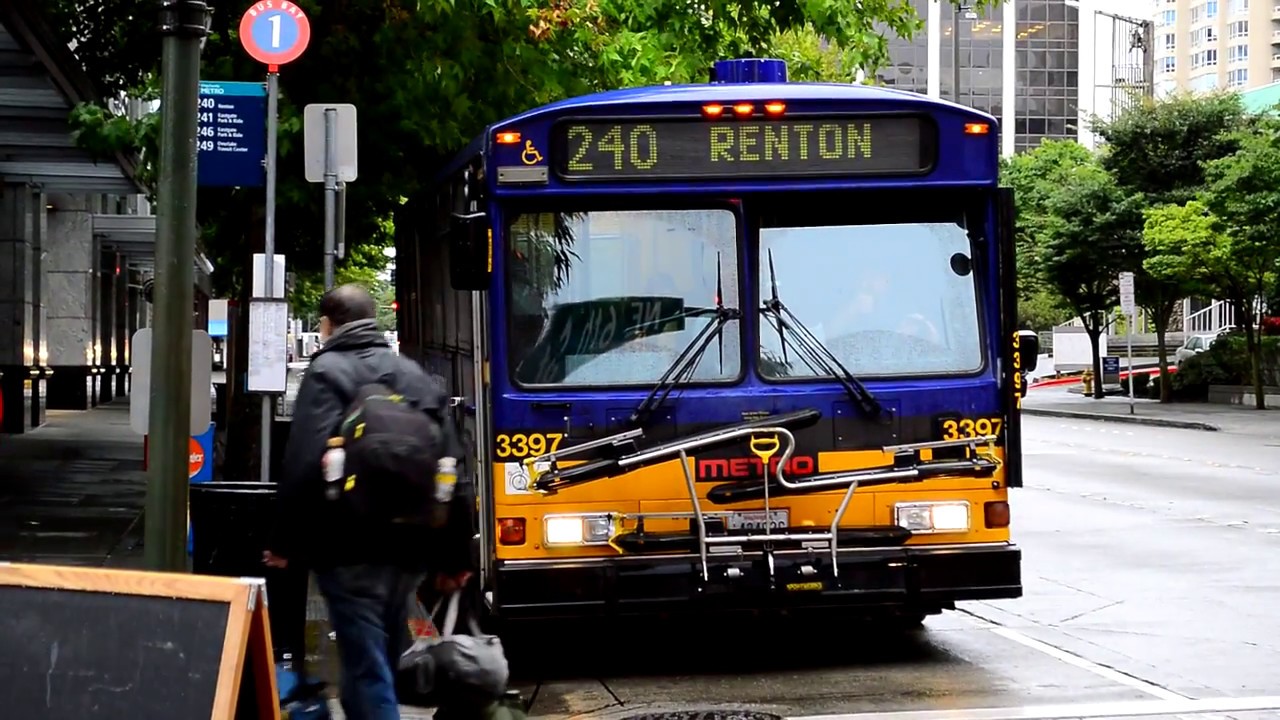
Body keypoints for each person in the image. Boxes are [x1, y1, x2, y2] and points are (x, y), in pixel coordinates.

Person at [265, 284, 475, 720]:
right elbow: (453, 468)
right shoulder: (412, 374)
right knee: (377, 654)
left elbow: (304, 460)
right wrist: (455, 556)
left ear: (327, 324)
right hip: (410, 545)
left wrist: (285, 542)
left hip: (348, 546)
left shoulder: (327, 372)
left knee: (367, 665)